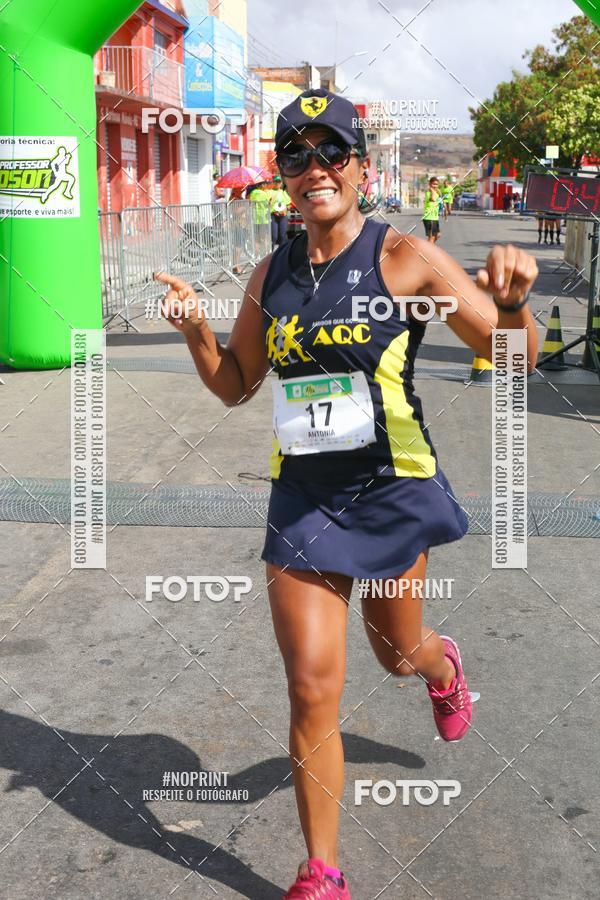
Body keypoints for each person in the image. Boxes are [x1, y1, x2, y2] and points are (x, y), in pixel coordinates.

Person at [154, 87, 539, 898]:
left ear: (360, 166)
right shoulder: (271, 273)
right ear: (281, 176)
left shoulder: (405, 259)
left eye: (331, 150)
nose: (315, 167)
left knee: (396, 655)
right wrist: (195, 331)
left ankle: (441, 667)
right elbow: (236, 384)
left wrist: (512, 308)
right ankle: (322, 871)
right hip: (304, 501)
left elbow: (516, 357)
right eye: (295, 154)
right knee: (310, 688)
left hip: (391, 493)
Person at [247, 180, 271, 256]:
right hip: (263, 219)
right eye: (265, 184)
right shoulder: (264, 193)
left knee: (256, 239)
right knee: (263, 238)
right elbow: (268, 204)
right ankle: (263, 255)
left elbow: (250, 203)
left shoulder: (253, 193)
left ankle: (256, 256)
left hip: (254, 218)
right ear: (261, 185)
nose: (266, 185)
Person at [268, 174, 292, 248]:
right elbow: (265, 203)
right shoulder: (269, 192)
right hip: (273, 215)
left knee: (282, 235)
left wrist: (286, 209)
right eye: (276, 182)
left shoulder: (283, 192)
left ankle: (282, 252)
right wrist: (269, 203)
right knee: (274, 236)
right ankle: (271, 252)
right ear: (273, 183)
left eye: (279, 182)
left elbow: (288, 204)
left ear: (281, 183)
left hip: (283, 216)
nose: (277, 184)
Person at [422, 176, 442, 243]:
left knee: (438, 235)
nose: (435, 186)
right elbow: (432, 199)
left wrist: (439, 192)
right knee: (432, 237)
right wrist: (432, 190)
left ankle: (427, 246)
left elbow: (439, 199)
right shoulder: (429, 193)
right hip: (429, 217)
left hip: (435, 217)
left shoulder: (436, 193)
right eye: (433, 184)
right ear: (430, 184)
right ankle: (429, 248)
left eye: (436, 184)